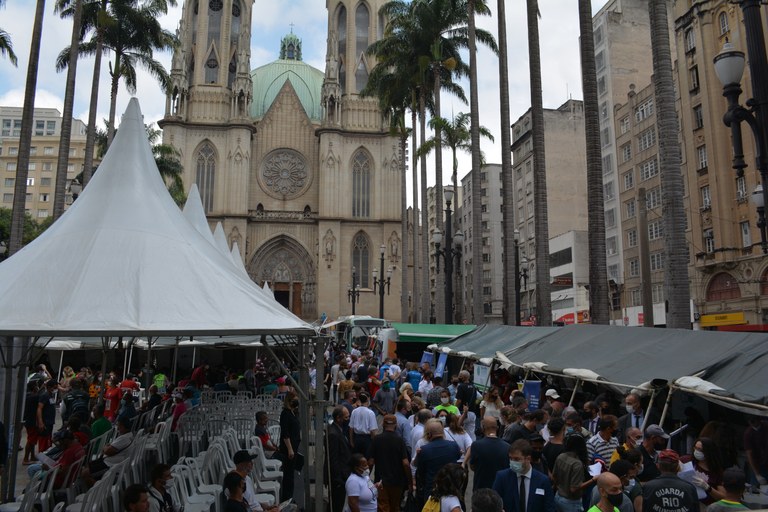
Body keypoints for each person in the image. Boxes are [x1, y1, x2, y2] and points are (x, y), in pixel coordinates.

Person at [492, 439, 555, 512]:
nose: (512, 462)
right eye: (510, 458)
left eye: (516, 459)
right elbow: (494, 504)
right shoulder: (502, 477)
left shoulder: (543, 481)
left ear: (528, 459)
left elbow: (550, 507)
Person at [368, 414, 413, 512]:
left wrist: (366, 478)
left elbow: (371, 462)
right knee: (395, 507)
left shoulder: (377, 439)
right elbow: (405, 463)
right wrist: (410, 481)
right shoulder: (399, 440)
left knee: (382, 507)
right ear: (396, 425)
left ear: (383, 424)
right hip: (397, 481)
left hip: (380, 481)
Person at [414, 420, 462, 509]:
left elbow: (420, 472)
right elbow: (458, 457)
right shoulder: (454, 445)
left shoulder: (424, 450)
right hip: (451, 489)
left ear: (428, 434)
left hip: (432, 490)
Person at [552, 434, 596, 512]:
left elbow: (554, 477)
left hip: (558, 496)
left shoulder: (561, 456)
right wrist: (593, 480)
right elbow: (574, 488)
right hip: (571, 502)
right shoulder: (577, 464)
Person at [85, 415, 135, 482]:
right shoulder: (129, 435)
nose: (117, 428)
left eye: (118, 425)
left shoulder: (124, 439)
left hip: (110, 466)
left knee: (84, 474)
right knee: (87, 465)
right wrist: (107, 447)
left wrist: (106, 447)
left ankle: (99, 490)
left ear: (122, 426)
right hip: (110, 462)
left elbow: (107, 451)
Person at [469, 416, 511, 490]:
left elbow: (472, 466)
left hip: (481, 489)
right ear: (497, 427)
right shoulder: (507, 447)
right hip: (500, 489)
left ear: (483, 428)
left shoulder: (476, 445)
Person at [682, 437, 725, 505]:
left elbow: (722, 497)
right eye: (695, 448)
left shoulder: (717, 471)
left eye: (700, 449)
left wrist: (708, 488)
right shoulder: (685, 460)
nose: (696, 451)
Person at [327, 406, 353, 512]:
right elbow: (333, 458)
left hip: (343, 474)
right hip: (338, 478)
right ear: (339, 418)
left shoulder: (338, 429)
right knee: (336, 503)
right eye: (346, 417)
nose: (348, 419)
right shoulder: (333, 433)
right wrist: (338, 478)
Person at [279, 391, 301, 501]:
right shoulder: (285, 414)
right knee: (288, 475)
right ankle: (287, 498)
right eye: (295, 400)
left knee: (291, 474)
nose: (297, 402)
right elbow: (285, 433)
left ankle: (290, 497)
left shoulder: (293, 412)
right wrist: (290, 449)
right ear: (289, 401)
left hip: (294, 446)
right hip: (289, 449)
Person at [744, 416, 768, 488]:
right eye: (750, 421)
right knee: (755, 486)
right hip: (758, 464)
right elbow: (749, 454)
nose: (751, 423)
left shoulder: (766, 426)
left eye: (753, 420)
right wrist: (757, 474)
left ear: (759, 420)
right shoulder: (748, 433)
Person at [36, 379, 58, 451]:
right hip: (45, 422)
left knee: (48, 441)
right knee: (43, 442)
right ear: (49, 387)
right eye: (54, 388)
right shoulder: (44, 396)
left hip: (50, 422)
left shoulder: (50, 395)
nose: (55, 389)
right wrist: (40, 422)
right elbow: (39, 408)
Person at [22, 381, 39, 465]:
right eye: (37, 385)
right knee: (31, 440)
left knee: (32, 440)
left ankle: (32, 456)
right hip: (32, 421)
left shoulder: (28, 396)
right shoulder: (33, 397)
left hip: (29, 420)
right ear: (34, 387)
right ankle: (25, 459)